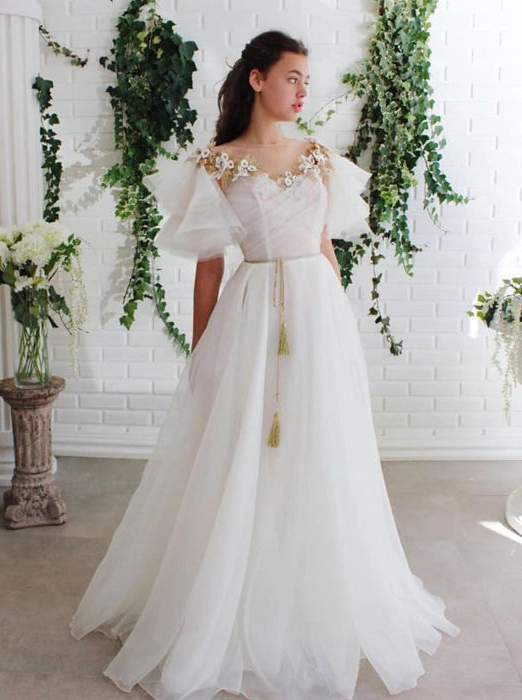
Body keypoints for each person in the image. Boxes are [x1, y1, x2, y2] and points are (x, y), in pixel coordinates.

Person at [69, 29, 460, 700]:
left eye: (307, 79)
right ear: (257, 79)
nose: (303, 90)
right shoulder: (216, 164)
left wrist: (338, 325)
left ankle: (313, 587)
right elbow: (208, 268)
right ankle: (232, 588)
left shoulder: (318, 158)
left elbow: (324, 246)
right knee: (243, 447)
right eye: (292, 77)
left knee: (315, 446)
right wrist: (202, 354)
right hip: (249, 316)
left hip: (316, 315)